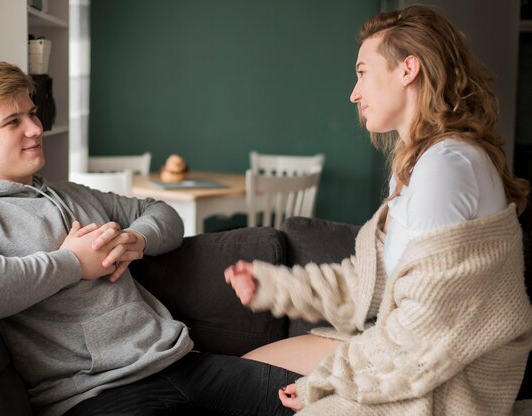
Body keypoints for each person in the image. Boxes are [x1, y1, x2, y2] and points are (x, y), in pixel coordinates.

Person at [0, 55, 300, 416]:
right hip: (97, 394)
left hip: (182, 361)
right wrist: (74, 263)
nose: (36, 128)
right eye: (13, 122)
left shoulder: (71, 193)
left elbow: (162, 213)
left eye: (31, 113)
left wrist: (138, 239)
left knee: (331, 400)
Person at [225, 5, 532, 415]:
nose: (354, 92)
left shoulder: (447, 166)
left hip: (446, 380)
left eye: (363, 71)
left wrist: (327, 380)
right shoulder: (415, 168)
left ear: (408, 69)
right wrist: (275, 287)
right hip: (407, 350)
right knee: (243, 379)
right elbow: (369, 282)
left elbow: (424, 333)